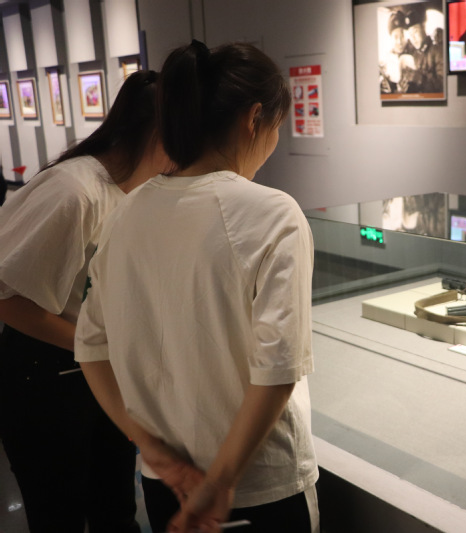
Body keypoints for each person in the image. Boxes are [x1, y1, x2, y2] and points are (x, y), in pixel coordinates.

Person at [75, 40, 320, 533]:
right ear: (254, 119)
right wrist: (220, 483)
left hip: (168, 485)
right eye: (276, 127)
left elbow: (91, 349)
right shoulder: (275, 214)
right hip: (257, 487)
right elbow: (277, 368)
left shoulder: (127, 211)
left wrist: (154, 452)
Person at [0, 69, 167, 533]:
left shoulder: (134, 190)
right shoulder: (74, 191)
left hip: (96, 370)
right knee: (60, 517)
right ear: (158, 133)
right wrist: (98, 346)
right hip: (47, 377)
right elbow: (8, 298)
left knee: (115, 509)